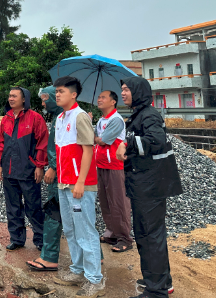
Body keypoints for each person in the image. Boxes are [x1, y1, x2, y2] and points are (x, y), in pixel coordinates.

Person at [116, 77, 182, 298]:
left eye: (126, 90)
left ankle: (157, 290)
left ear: (138, 92)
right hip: (143, 182)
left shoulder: (149, 115)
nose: (123, 93)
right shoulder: (139, 114)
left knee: (150, 235)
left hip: (150, 185)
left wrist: (128, 144)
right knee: (147, 234)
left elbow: (156, 141)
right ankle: (160, 279)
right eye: (122, 89)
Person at [51, 76, 105, 298]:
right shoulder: (61, 117)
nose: (57, 94)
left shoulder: (80, 116)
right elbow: (62, 150)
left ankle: (95, 280)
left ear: (73, 94)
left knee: (85, 230)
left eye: (61, 91)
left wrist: (81, 181)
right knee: (71, 230)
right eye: (56, 91)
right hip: (64, 183)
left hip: (79, 184)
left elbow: (88, 151)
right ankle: (78, 269)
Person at [0, 87, 49, 251]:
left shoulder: (35, 119)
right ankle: (17, 239)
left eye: (14, 96)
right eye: (9, 96)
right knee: (12, 207)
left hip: (28, 171)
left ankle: (40, 239)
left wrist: (39, 165)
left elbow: (42, 144)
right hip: (9, 171)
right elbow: (0, 143)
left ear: (24, 99)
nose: (10, 99)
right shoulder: (6, 119)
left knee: (33, 207)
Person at [26, 86, 63, 271]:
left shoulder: (65, 118)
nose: (42, 103)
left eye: (45, 99)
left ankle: (49, 257)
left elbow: (64, 147)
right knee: (73, 219)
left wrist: (53, 168)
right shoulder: (58, 118)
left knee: (53, 216)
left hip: (60, 176)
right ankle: (97, 257)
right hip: (61, 174)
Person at [94, 90, 133, 253]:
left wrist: (95, 138)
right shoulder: (101, 120)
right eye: (99, 97)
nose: (99, 100)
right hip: (101, 164)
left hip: (114, 166)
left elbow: (103, 140)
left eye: (103, 97)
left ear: (113, 102)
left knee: (118, 202)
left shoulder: (116, 119)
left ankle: (124, 238)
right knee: (105, 202)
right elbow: (97, 138)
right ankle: (111, 233)